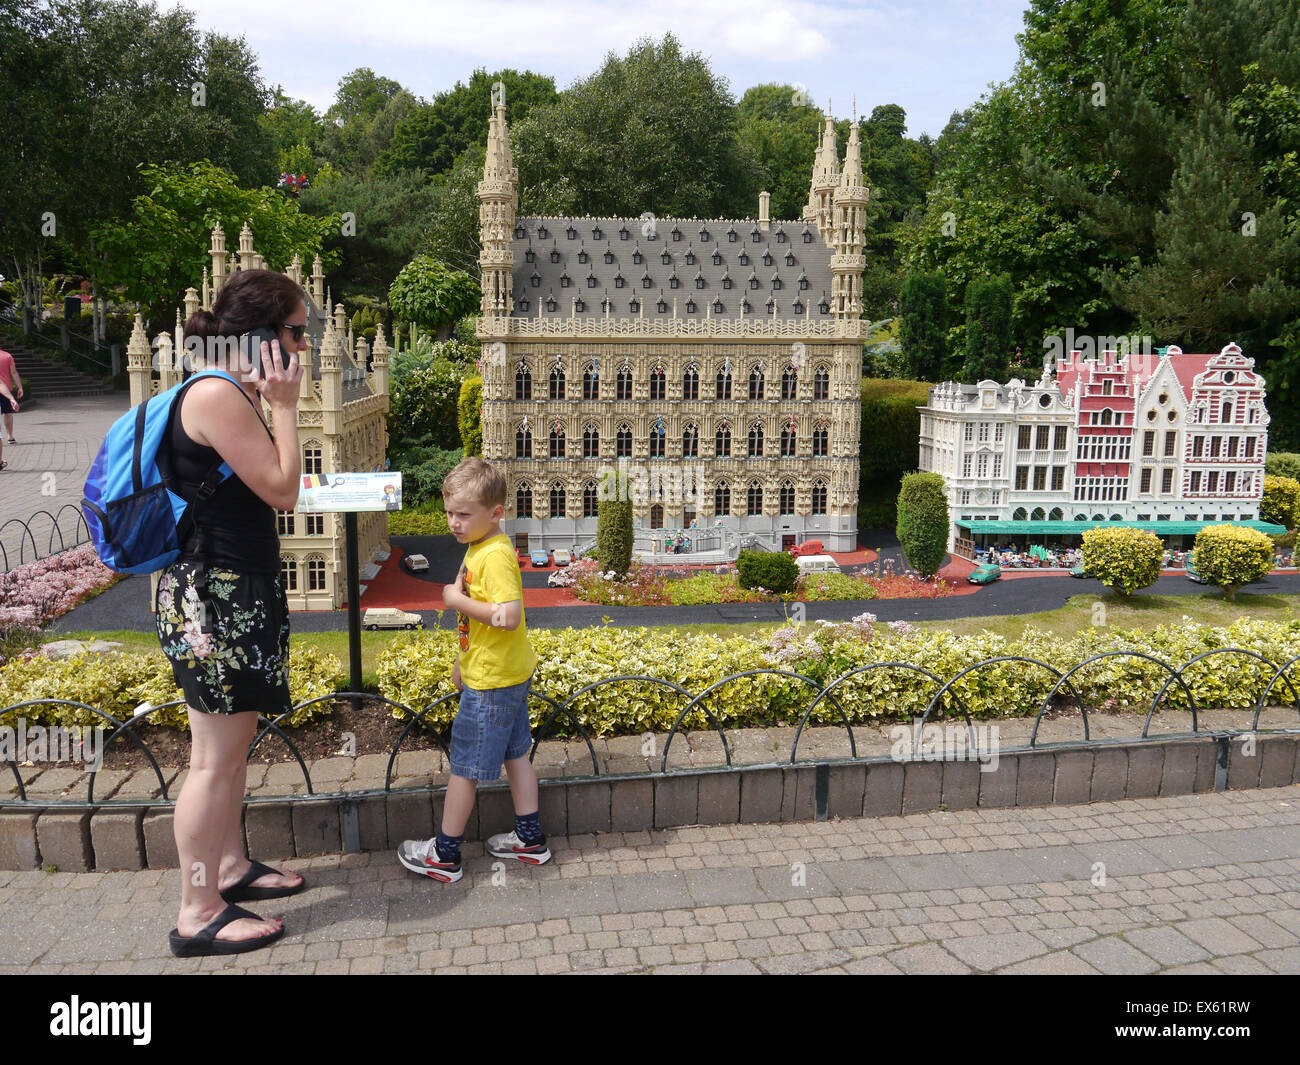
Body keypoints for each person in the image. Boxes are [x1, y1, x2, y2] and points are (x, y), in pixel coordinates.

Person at [158, 268, 308, 956]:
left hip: (229, 590)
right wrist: (285, 404)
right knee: (213, 760)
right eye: (296, 333)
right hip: (213, 597)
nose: (302, 347)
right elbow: (283, 489)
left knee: (228, 748)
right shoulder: (217, 393)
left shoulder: (223, 388)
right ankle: (196, 909)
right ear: (262, 334)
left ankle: (226, 866)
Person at [398, 457, 548, 882]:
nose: (453, 523)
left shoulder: (494, 556)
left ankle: (444, 856)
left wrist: (455, 600)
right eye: (449, 513)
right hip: (504, 672)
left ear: (495, 513)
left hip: (493, 683)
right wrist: (462, 659)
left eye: (463, 514)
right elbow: (483, 626)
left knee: (464, 767)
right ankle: (530, 840)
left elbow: (509, 616)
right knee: (516, 755)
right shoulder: (481, 546)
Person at [0, 347, 21, 470]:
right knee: (8, 413)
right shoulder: (7, 356)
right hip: (5, 388)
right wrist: (19, 388)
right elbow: (13, 373)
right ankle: (10, 436)